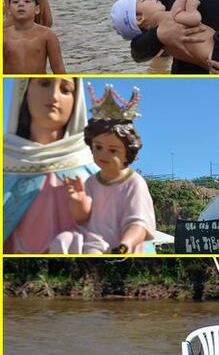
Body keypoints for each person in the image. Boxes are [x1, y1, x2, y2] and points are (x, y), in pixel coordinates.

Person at [49, 86, 155, 254]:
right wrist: (79, 199)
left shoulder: (134, 183)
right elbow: (83, 218)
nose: (103, 154)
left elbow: (139, 223)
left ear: (128, 154)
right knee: (61, 241)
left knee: (93, 252)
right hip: (90, 237)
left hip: (119, 242)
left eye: (113, 150)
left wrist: (125, 244)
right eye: (98, 147)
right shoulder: (92, 181)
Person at [3, 78, 99, 253]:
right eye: (44, 83)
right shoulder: (6, 161)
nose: (54, 96)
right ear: (24, 90)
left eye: (65, 89)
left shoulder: (93, 171)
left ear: (76, 100)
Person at [3, 0, 66, 74]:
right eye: (15, 2)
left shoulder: (48, 35)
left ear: (37, 9)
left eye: (27, 1)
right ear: (9, 10)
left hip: (38, 84)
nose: (21, 4)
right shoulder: (3, 36)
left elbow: (59, 70)